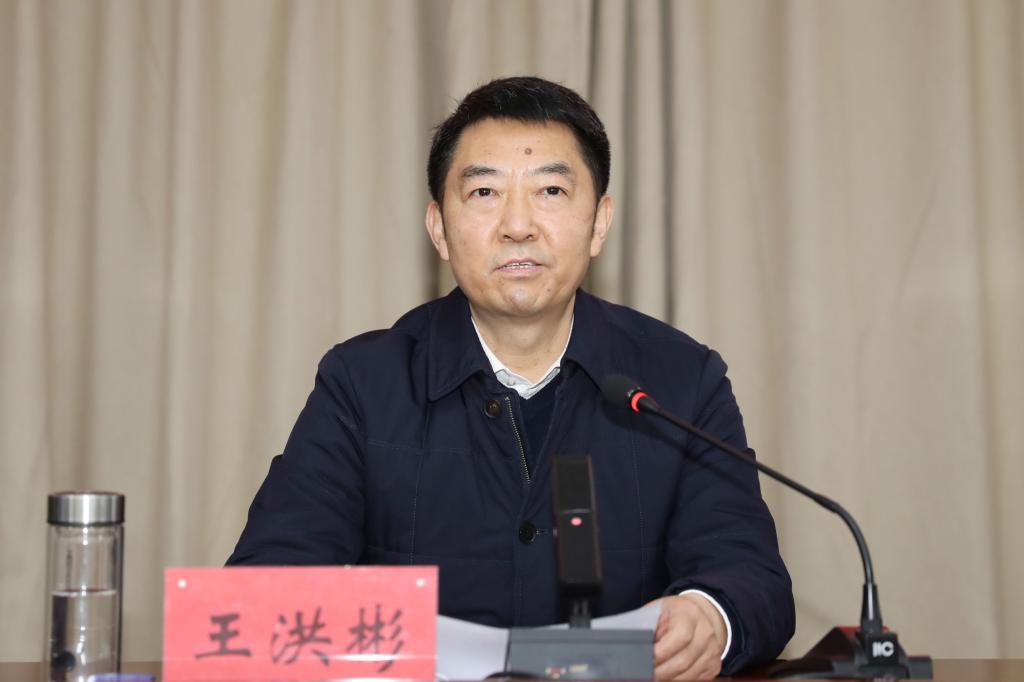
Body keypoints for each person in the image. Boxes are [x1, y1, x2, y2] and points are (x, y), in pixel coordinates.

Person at [228, 76, 794, 680]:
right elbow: (268, 582)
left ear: (599, 223)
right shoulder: (363, 384)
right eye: (484, 192)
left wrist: (710, 616)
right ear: (439, 228)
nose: (518, 225)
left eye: (551, 190)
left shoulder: (682, 380)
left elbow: (751, 575)